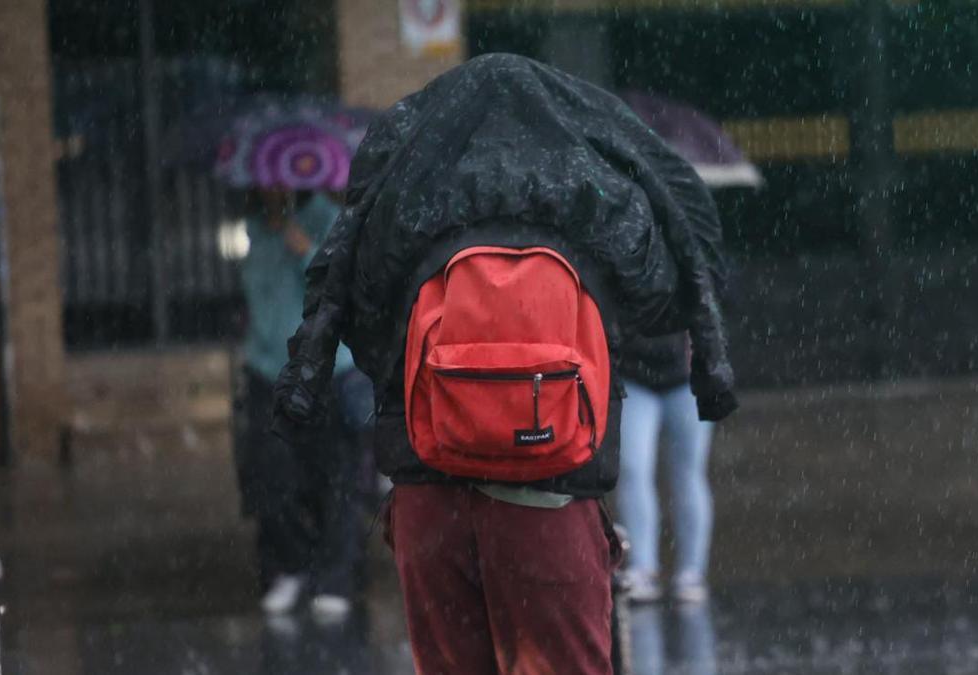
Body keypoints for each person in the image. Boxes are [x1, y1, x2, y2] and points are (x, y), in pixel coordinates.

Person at [272, 54, 738, 673]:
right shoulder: (595, 210)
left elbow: (360, 323)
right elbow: (659, 299)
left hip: (428, 499)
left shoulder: (406, 206)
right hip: (552, 496)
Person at [232, 188, 373, 620]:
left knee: (338, 480)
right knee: (273, 478)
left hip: (326, 371)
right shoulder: (253, 231)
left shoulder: (329, 219)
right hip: (268, 373)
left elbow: (341, 289)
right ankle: (287, 567)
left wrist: (305, 248)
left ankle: (334, 576)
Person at [616, 332, 715, 603]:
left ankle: (692, 572)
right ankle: (642, 569)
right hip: (634, 376)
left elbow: (719, 299)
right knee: (633, 470)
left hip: (688, 378)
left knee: (690, 473)